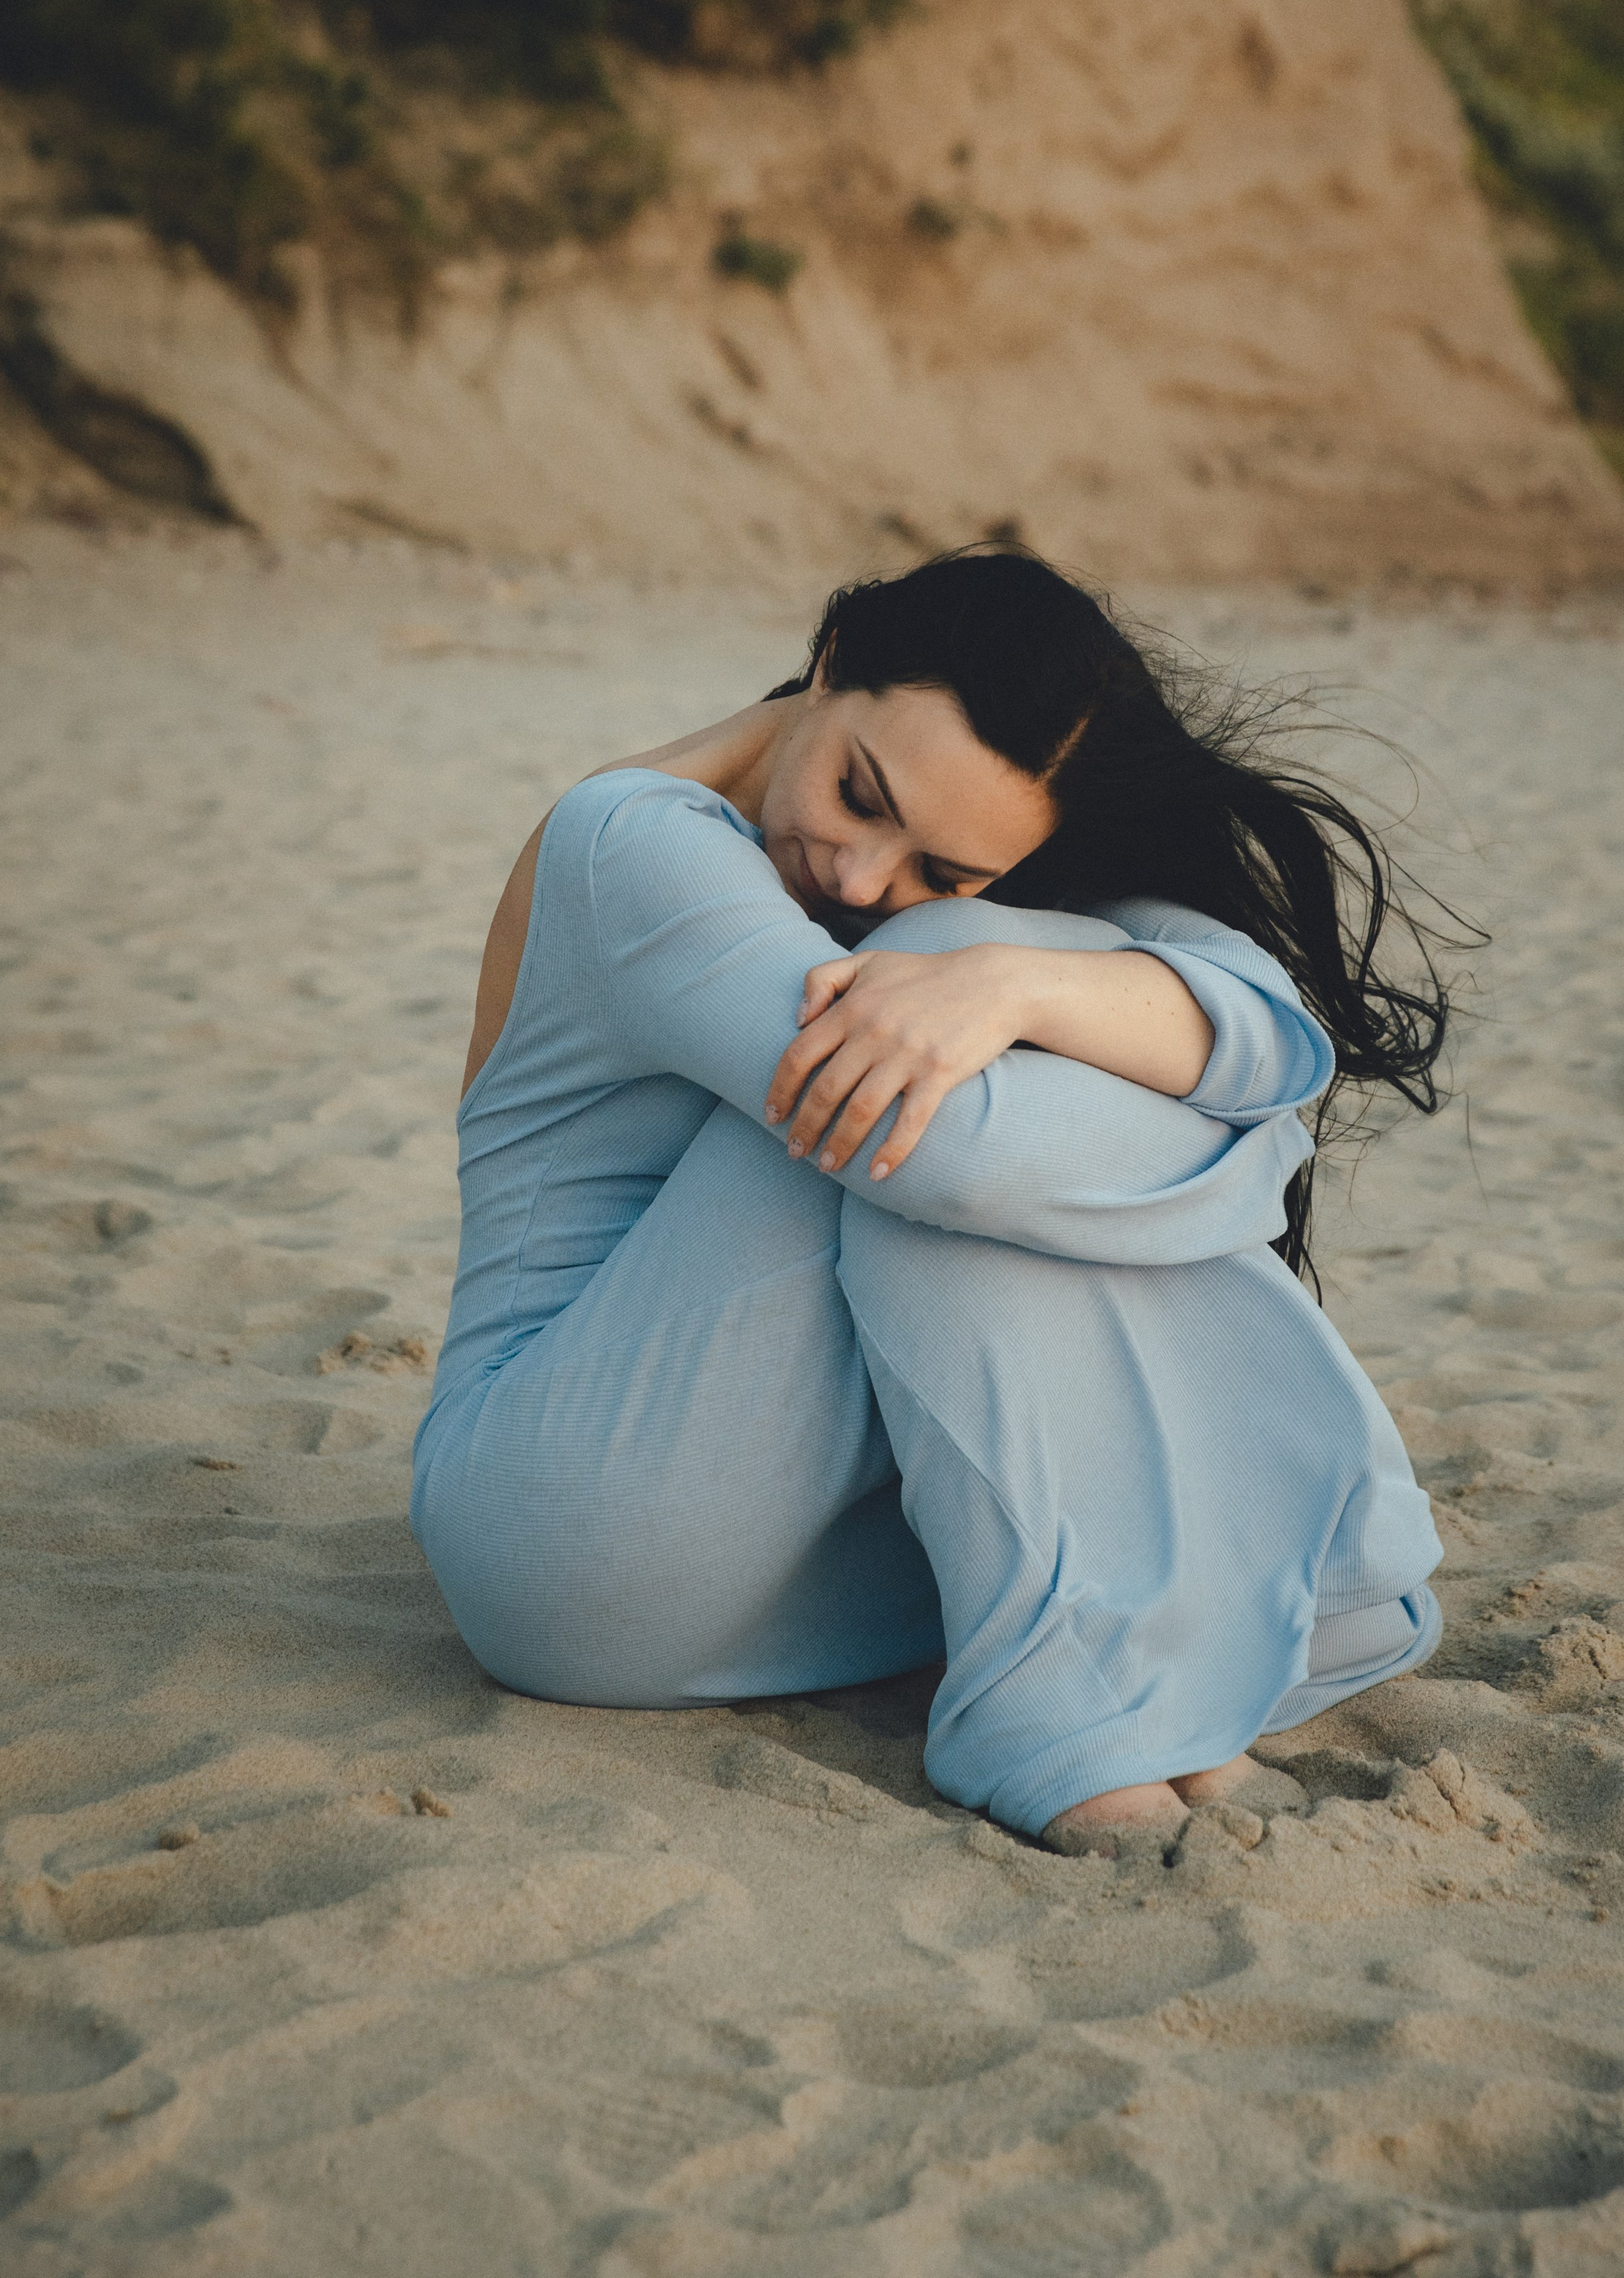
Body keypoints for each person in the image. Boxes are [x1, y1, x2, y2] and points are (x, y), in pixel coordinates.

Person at [411, 548, 1454, 1848]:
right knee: (921, 1038)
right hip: (559, 1525)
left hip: (828, 1569)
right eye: (860, 793)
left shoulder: (983, 889)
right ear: (831, 664)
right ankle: (1078, 1700)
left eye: (943, 865)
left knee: (966, 991)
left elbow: (1269, 1026)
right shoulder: (627, 841)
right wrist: (1248, 1147)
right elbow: (967, 1152)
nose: (858, 878)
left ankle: (1097, 1660)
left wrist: (1024, 985)